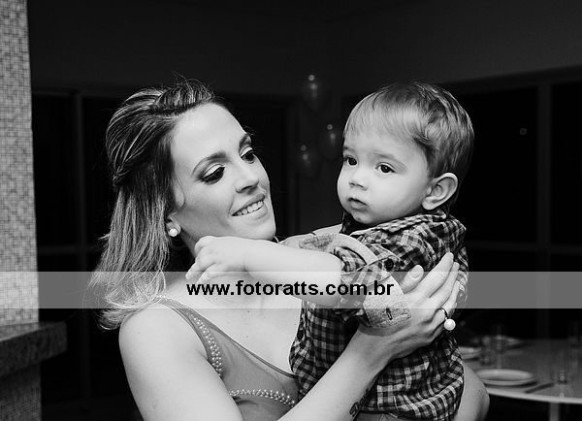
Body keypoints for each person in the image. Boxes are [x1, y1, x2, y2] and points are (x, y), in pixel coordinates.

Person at [91, 79, 488, 421]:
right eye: (215, 173)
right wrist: (372, 350)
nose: (250, 177)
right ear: (166, 211)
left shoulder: (315, 263)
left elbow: (469, 391)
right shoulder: (157, 328)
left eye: (248, 154)